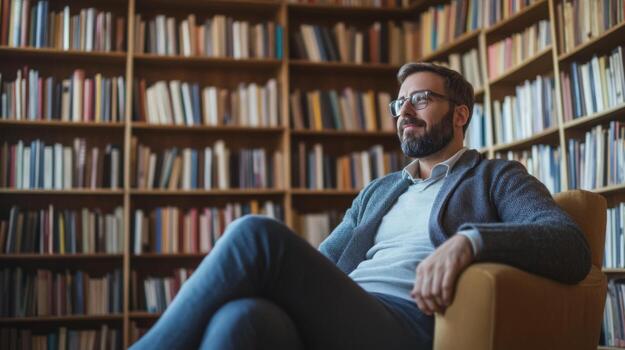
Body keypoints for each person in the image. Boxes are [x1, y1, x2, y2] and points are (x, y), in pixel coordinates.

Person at [130, 62, 591, 350]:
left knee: (256, 235)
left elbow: (569, 244)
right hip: (347, 313)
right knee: (243, 319)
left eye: (421, 99)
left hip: (410, 322)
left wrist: (470, 241)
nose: (403, 113)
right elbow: (324, 262)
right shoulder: (379, 191)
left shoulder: (496, 177)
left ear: (460, 114)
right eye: (399, 104)